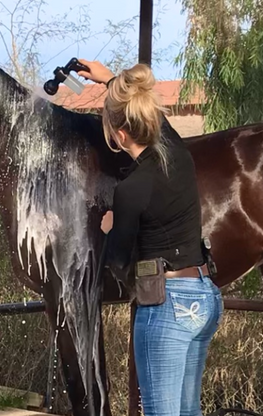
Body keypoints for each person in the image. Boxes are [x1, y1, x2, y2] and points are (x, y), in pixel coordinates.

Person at [77, 59, 224, 416]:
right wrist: (111, 78)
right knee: (188, 411)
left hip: (167, 307)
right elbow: (160, 125)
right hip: (205, 298)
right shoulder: (178, 154)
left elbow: (117, 261)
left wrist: (112, 228)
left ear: (119, 135)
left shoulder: (131, 189)